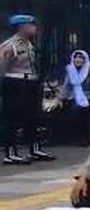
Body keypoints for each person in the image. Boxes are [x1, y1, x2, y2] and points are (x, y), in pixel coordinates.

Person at [1, 14, 53, 163]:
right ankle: (11, 153)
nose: (34, 28)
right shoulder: (10, 45)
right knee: (12, 118)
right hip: (15, 83)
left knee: (33, 117)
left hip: (30, 83)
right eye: (31, 25)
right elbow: (3, 65)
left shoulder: (29, 44)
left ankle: (35, 149)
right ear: (21, 27)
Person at [60, 49, 90, 146]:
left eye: (81, 57)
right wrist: (60, 98)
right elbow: (66, 85)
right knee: (72, 116)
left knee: (85, 117)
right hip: (73, 97)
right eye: (76, 57)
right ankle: (75, 139)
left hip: (88, 97)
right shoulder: (70, 69)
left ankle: (85, 139)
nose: (78, 59)